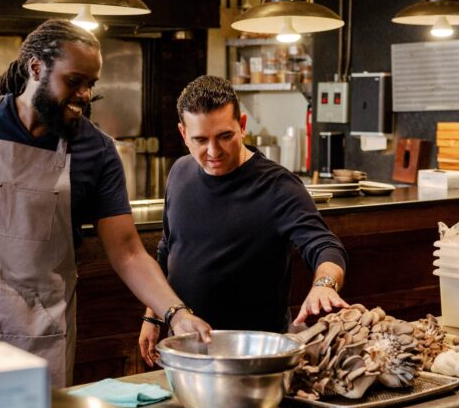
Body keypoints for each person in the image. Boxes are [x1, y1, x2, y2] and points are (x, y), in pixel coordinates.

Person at [0, 19, 211, 387]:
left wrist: (176, 314)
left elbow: (128, 252)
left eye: (91, 84)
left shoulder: (97, 150)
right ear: (36, 68)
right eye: (74, 81)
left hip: (37, 340)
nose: (85, 94)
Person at [139, 75, 348, 366]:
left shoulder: (278, 186)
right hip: (183, 344)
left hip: (253, 354)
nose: (213, 152)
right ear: (183, 133)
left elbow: (326, 246)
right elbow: (168, 249)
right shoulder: (179, 172)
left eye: (225, 136)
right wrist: (153, 313)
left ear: (243, 125)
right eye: (200, 140)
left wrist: (324, 283)